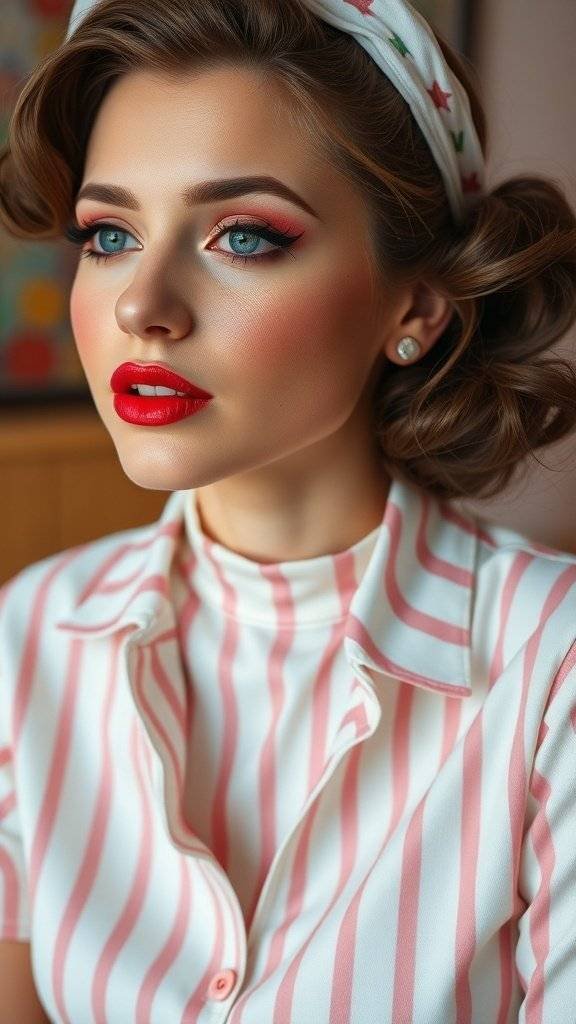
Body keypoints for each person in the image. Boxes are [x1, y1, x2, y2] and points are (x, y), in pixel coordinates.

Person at [1, 0, 576, 1021]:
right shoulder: (31, 633)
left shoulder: (552, 662)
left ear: (415, 306)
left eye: (244, 236)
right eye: (110, 234)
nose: (141, 305)